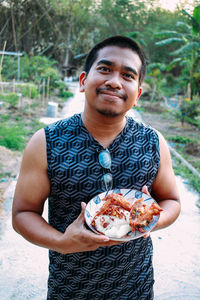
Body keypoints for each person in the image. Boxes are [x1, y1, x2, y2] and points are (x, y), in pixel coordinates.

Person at [12, 35, 181, 299]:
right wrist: (62, 243)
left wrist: (152, 220)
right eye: (104, 69)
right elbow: (22, 213)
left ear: (137, 94)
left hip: (136, 288)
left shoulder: (153, 142)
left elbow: (172, 200)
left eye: (127, 75)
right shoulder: (45, 142)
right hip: (70, 289)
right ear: (83, 81)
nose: (114, 81)